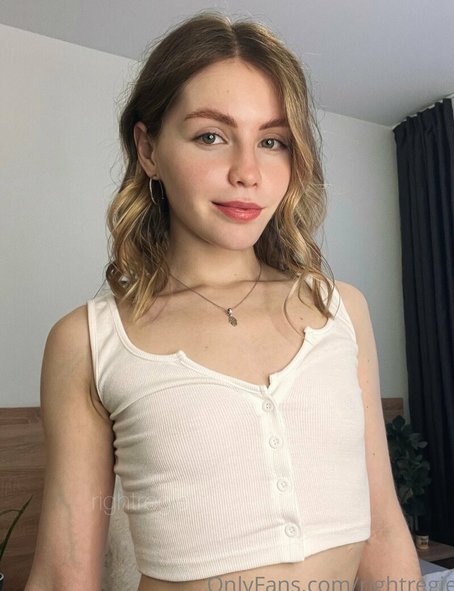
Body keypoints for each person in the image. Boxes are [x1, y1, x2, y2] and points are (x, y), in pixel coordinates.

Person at [25, 11, 423, 591]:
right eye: (211, 136)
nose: (248, 172)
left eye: (272, 141)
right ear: (148, 149)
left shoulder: (340, 310)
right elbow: (66, 572)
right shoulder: (90, 341)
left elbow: (383, 530)